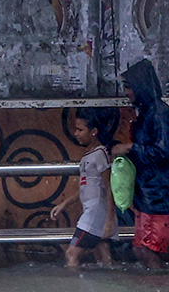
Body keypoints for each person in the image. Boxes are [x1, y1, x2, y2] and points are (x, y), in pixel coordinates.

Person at [110, 59, 169, 269]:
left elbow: (162, 152)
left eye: (129, 87)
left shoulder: (157, 113)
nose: (126, 92)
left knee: (148, 250)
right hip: (149, 194)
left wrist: (130, 148)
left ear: (140, 87)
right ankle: (158, 290)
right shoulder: (149, 111)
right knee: (142, 248)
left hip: (159, 195)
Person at [49, 108, 119, 268]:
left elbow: (109, 187)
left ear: (94, 132)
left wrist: (109, 219)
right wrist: (65, 203)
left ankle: (74, 290)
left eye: (80, 130)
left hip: (95, 213)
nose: (76, 133)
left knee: (71, 254)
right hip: (96, 212)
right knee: (104, 257)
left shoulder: (100, 154)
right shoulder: (91, 155)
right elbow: (87, 187)